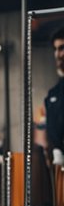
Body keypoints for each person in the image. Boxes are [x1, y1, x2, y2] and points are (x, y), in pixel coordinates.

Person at [44, 25, 64, 160]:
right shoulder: (54, 93)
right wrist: (57, 150)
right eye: (55, 49)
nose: (58, 55)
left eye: (62, 48)